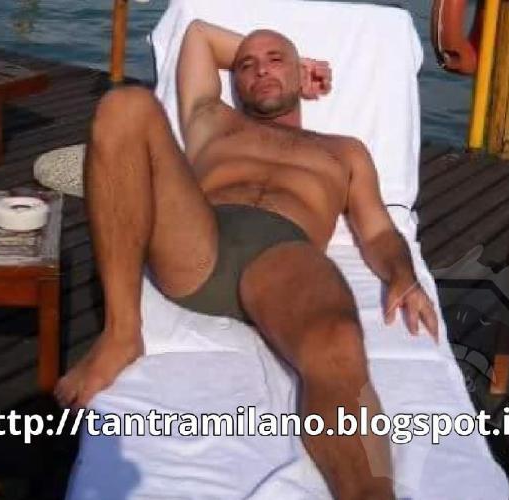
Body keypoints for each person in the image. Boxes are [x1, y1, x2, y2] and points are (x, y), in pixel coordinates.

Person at [55, 19, 439, 500]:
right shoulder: (212, 119)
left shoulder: (344, 152)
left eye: (276, 61)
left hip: (282, 258)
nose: (261, 70)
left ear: (301, 74)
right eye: (246, 65)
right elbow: (197, 34)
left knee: (336, 342)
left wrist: (402, 274)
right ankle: (122, 333)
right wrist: (276, 59)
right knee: (124, 104)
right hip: (198, 237)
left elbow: (379, 229)